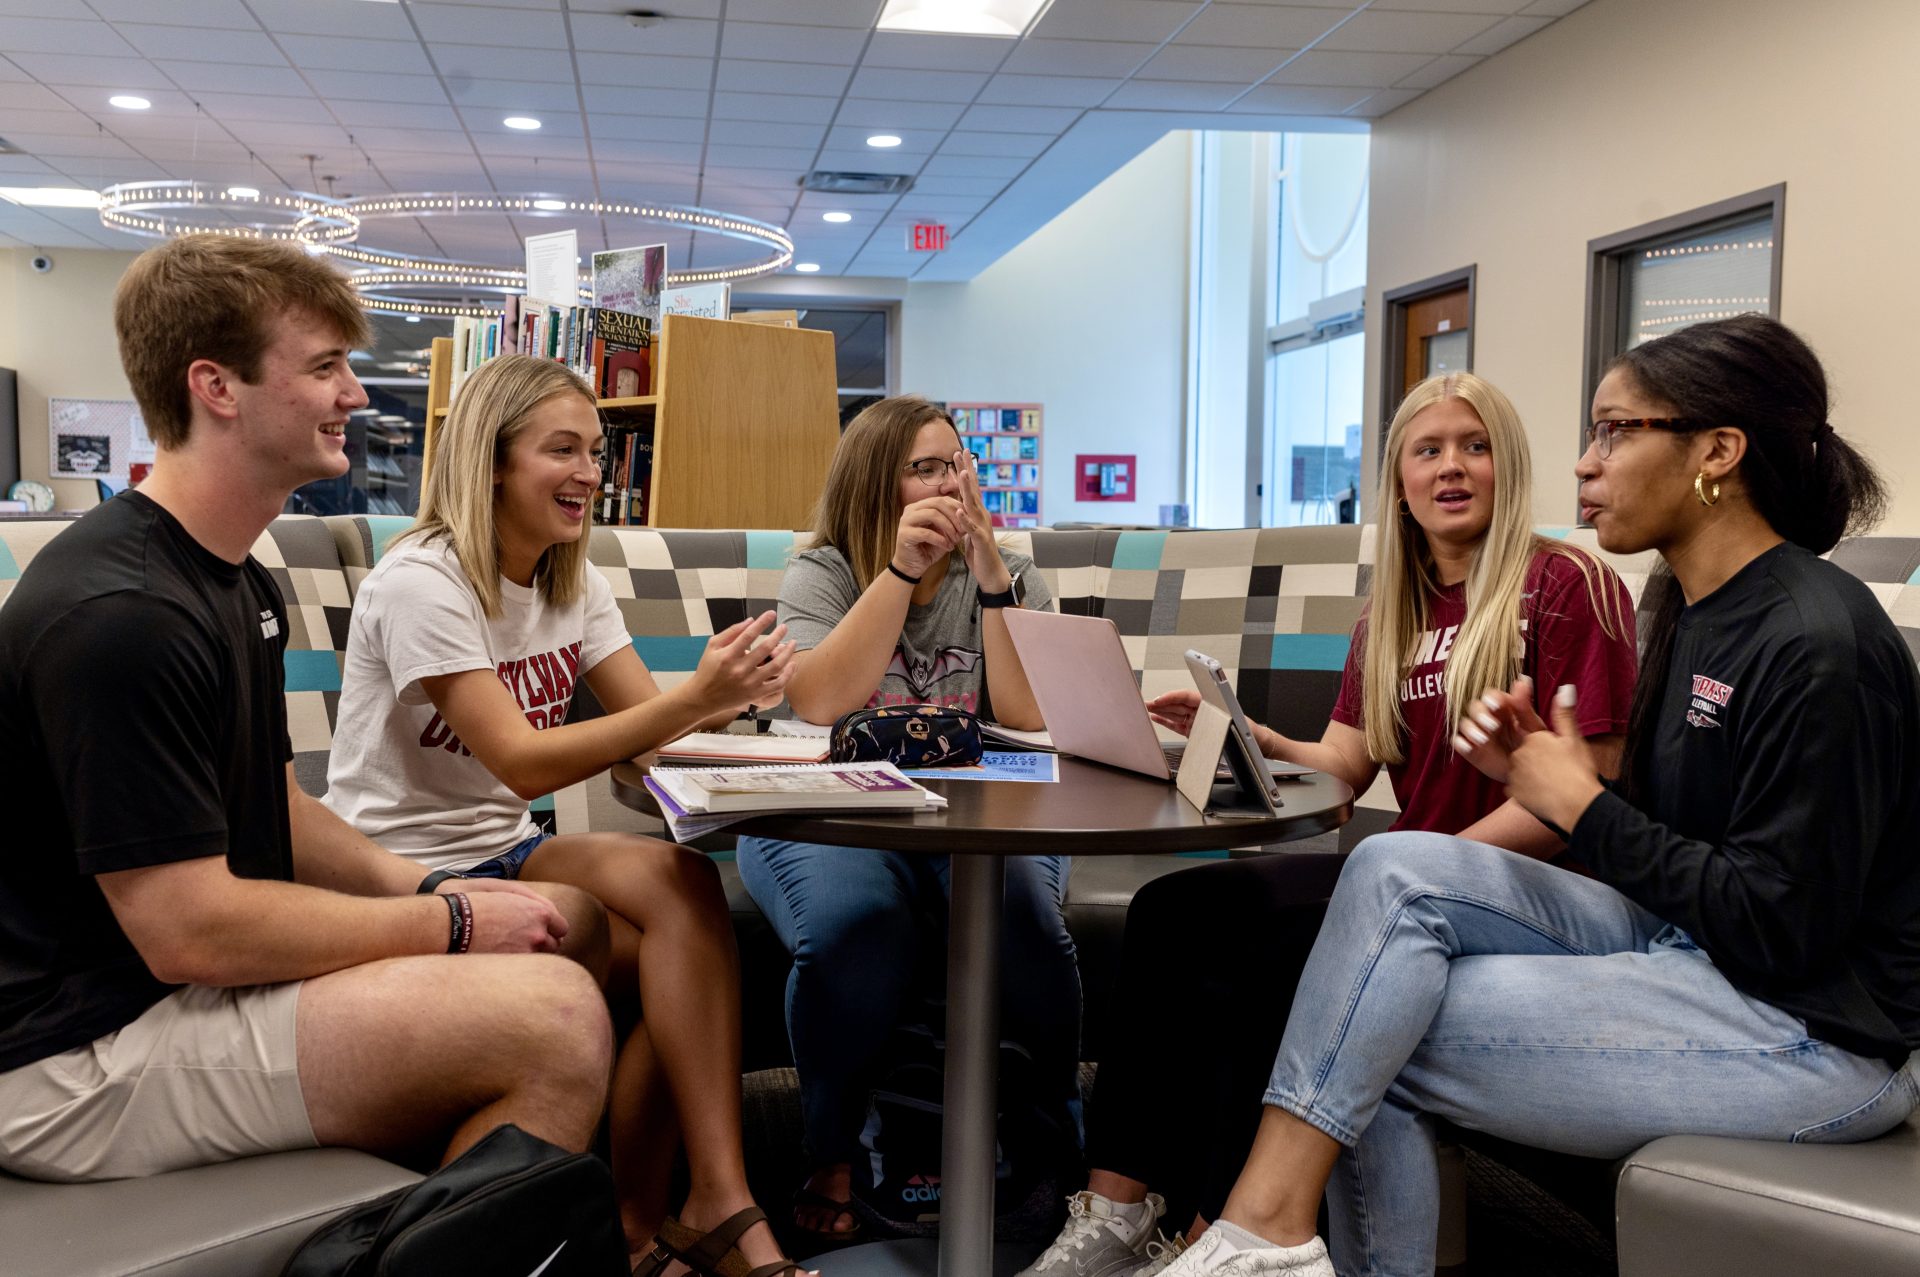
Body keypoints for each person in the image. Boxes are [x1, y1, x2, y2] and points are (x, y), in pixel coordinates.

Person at [1158, 314, 1920, 1277]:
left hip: (1813, 1039)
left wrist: (1579, 803)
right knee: (1391, 874)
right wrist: (1565, 790)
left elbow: (1784, 928)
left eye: (1615, 430)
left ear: (1717, 452)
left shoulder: (1818, 644)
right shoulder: (1687, 605)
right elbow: (1682, 849)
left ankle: (1264, 1232)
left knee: (1366, 1022)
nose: (1583, 466)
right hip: (1688, 952)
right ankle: (1268, 1235)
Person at [0, 235, 613, 1191]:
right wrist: (448, 925)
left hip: (166, 995)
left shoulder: (234, 577)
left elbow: (278, 807)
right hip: (71, 1058)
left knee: (561, 924)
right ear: (217, 386)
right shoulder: (123, 614)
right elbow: (190, 931)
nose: (357, 395)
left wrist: (427, 891)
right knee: (555, 1018)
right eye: (326, 367)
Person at [1022, 372, 1638, 1277]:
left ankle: (1215, 1235)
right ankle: (1118, 1212)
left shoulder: (1565, 582)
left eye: (1475, 447)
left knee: (1283, 957)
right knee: (1175, 911)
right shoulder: (1393, 606)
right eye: (1427, 451)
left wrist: (1420, 874)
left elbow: (1590, 789)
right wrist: (1245, 733)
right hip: (1411, 872)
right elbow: (1346, 769)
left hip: (1523, 893)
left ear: (1509, 468)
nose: (1452, 468)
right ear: (1398, 479)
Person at [323, 353, 803, 1274]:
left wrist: (743, 716)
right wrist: (693, 697)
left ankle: (694, 1205)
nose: (591, 471)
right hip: (403, 877)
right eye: (563, 449)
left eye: (596, 449)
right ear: (493, 462)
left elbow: (646, 740)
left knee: (683, 887)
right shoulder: (423, 579)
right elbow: (521, 756)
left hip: (507, 847)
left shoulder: (570, 579)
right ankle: (650, 1224)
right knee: (659, 952)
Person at [732, 394, 1080, 1240]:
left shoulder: (1006, 570)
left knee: (1025, 919)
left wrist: (995, 579)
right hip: (830, 814)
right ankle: (832, 1147)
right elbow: (816, 700)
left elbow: (1030, 713)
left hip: (976, 806)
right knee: (857, 925)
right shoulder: (822, 570)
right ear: (875, 483)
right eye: (923, 468)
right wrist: (897, 572)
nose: (947, 484)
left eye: (955, 465)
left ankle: (1054, 1135)